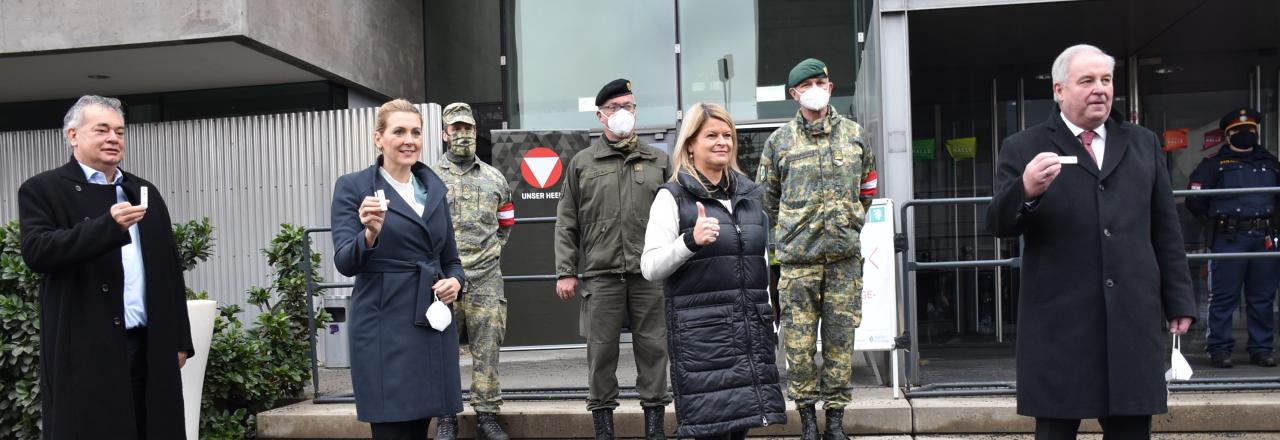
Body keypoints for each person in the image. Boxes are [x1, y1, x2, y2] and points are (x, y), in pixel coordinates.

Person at [986, 44, 1196, 439]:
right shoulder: (1023, 147)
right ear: (1059, 90)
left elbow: (1166, 229)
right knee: (1055, 430)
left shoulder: (1142, 143)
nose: (1100, 89)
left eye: (1106, 80)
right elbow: (998, 224)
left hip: (1130, 320)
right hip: (1059, 324)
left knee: (1131, 429)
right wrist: (1026, 189)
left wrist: (1179, 300)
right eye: (1087, 81)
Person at [18, 95, 194, 440]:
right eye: (102, 130)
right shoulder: (43, 189)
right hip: (86, 348)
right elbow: (38, 251)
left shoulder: (143, 191)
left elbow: (169, 271)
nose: (113, 138)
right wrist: (106, 227)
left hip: (150, 344)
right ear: (73, 135)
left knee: (155, 426)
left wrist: (180, 340)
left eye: (119, 131)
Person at [641, 102, 787, 440]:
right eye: (711, 136)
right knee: (712, 432)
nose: (723, 142)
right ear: (690, 144)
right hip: (705, 340)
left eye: (727, 135)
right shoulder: (672, 197)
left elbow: (758, 263)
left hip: (750, 333)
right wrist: (689, 241)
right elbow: (649, 266)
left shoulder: (749, 196)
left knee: (740, 430)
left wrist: (770, 316)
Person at [755, 58, 877, 440]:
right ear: (794, 94)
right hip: (798, 265)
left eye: (821, 81)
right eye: (807, 84)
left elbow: (868, 189)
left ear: (830, 85)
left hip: (843, 262)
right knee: (800, 346)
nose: (815, 88)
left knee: (841, 344)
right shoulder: (779, 142)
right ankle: (807, 419)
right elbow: (766, 198)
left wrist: (849, 221)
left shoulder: (855, 134)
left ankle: (835, 422)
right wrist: (797, 231)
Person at [331, 99, 465, 440]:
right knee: (392, 428)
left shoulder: (433, 188)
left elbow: (451, 259)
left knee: (421, 426)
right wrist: (371, 233)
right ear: (379, 138)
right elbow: (345, 261)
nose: (409, 140)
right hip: (383, 323)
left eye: (416, 132)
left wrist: (454, 282)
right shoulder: (353, 186)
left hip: (428, 320)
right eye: (399, 131)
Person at [554, 78, 673, 440]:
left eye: (629, 107)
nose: (623, 114)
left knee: (654, 350)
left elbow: (675, 216)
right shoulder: (582, 163)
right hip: (600, 276)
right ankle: (604, 431)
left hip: (648, 274)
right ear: (601, 115)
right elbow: (567, 220)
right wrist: (565, 271)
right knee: (600, 354)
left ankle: (655, 429)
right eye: (614, 108)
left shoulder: (659, 160)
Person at [430, 103, 516, 440]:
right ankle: (446, 417)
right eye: (456, 129)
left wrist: (489, 253)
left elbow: (506, 224)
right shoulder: (428, 178)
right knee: (441, 351)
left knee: (488, 349)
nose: (462, 135)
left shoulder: (495, 178)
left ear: (475, 132)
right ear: (444, 134)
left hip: (485, 279)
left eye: (467, 128)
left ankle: (487, 416)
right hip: (443, 281)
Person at [1187, 107, 1279, 368]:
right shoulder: (1213, 164)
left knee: (1262, 297)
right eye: (1238, 131)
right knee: (1223, 297)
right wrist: (1216, 223)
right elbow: (1195, 199)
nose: (1245, 134)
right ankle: (1219, 349)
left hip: (1264, 238)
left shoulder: (1270, 163)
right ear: (1227, 136)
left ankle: (1261, 349)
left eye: (1250, 130)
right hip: (1230, 238)